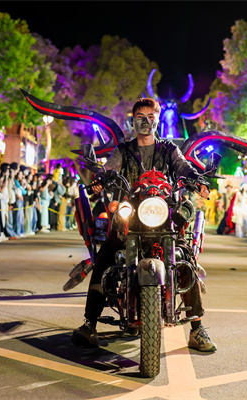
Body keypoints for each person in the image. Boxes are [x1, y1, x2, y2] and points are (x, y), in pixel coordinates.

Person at [72, 98, 216, 352]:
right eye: (140, 117)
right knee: (104, 256)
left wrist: (197, 180)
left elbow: (182, 166)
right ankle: (89, 323)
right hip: (131, 213)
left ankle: (197, 328)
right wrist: (101, 178)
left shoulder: (168, 149)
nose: (146, 121)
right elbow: (110, 167)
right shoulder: (123, 150)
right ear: (133, 121)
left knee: (185, 257)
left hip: (162, 212)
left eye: (151, 117)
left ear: (158, 120)